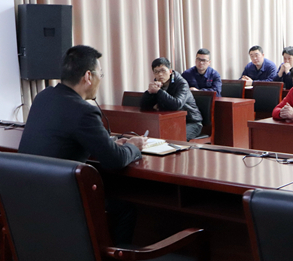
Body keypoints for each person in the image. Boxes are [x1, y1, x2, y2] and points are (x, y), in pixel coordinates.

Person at [18, 45, 146, 245]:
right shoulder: (83, 111)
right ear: (88, 76)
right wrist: (134, 146)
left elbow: (64, 136)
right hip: (62, 202)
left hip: (28, 198)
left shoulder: (43, 97)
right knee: (125, 209)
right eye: (100, 74)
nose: (100, 79)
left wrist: (109, 142)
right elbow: (115, 160)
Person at [141, 57, 204, 141]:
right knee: (153, 137)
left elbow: (177, 104)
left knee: (175, 139)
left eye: (163, 71)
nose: (160, 74)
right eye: (156, 72)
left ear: (170, 71)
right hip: (171, 122)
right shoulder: (157, 85)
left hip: (191, 122)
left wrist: (159, 91)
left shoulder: (182, 83)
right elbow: (144, 107)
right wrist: (149, 92)